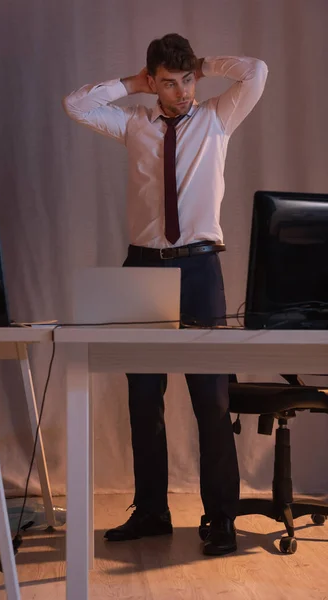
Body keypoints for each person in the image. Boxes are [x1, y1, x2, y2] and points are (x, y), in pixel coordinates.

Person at [63, 33, 268, 556]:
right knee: (142, 398)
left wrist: (203, 63)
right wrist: (134, 83)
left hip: (200, 269)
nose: (182, 93)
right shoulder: (134, 124)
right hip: (142, 267)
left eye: (188, 81)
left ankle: (220, 517)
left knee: (210, 399)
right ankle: (152, 511)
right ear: (154, 81)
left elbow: (256, 70)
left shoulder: (218, 118)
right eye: (170, 83)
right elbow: (77, 104)